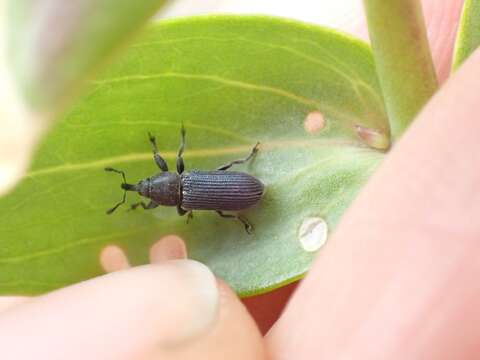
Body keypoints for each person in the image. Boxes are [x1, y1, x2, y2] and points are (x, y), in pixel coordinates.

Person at [1, 1, 475, 358]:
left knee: (227, 188)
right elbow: (176, 167)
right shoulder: (181, 190)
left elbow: (178, 171)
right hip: (236, 193)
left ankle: (243, 201)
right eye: (147, 189)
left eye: (147, 185)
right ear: (163, 192)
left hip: (241, 195)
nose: (148, 187)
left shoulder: (182, 198)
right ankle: (243, 192)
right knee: (225, 184)